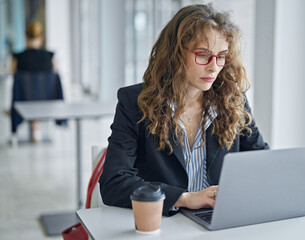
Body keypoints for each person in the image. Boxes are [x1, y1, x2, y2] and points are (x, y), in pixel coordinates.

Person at [99, 4, 269, 216]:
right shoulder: (135, 103)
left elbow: (262, 161)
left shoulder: (233, 102)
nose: (213, 66)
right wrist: (185, 198)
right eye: (203, 54)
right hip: (165, 222)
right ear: (175, 54)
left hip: (218, 220)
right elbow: (113, 183)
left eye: (221, 56)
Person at [11, 21, 57, 142]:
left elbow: (14, 77)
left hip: (24, 103)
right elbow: (54, 78)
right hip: (47, 101)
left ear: (25, 36)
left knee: (26, 93)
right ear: (41, 37)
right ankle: (36, 130)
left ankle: (34, 129)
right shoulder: (50, 56)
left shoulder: (17, 57)